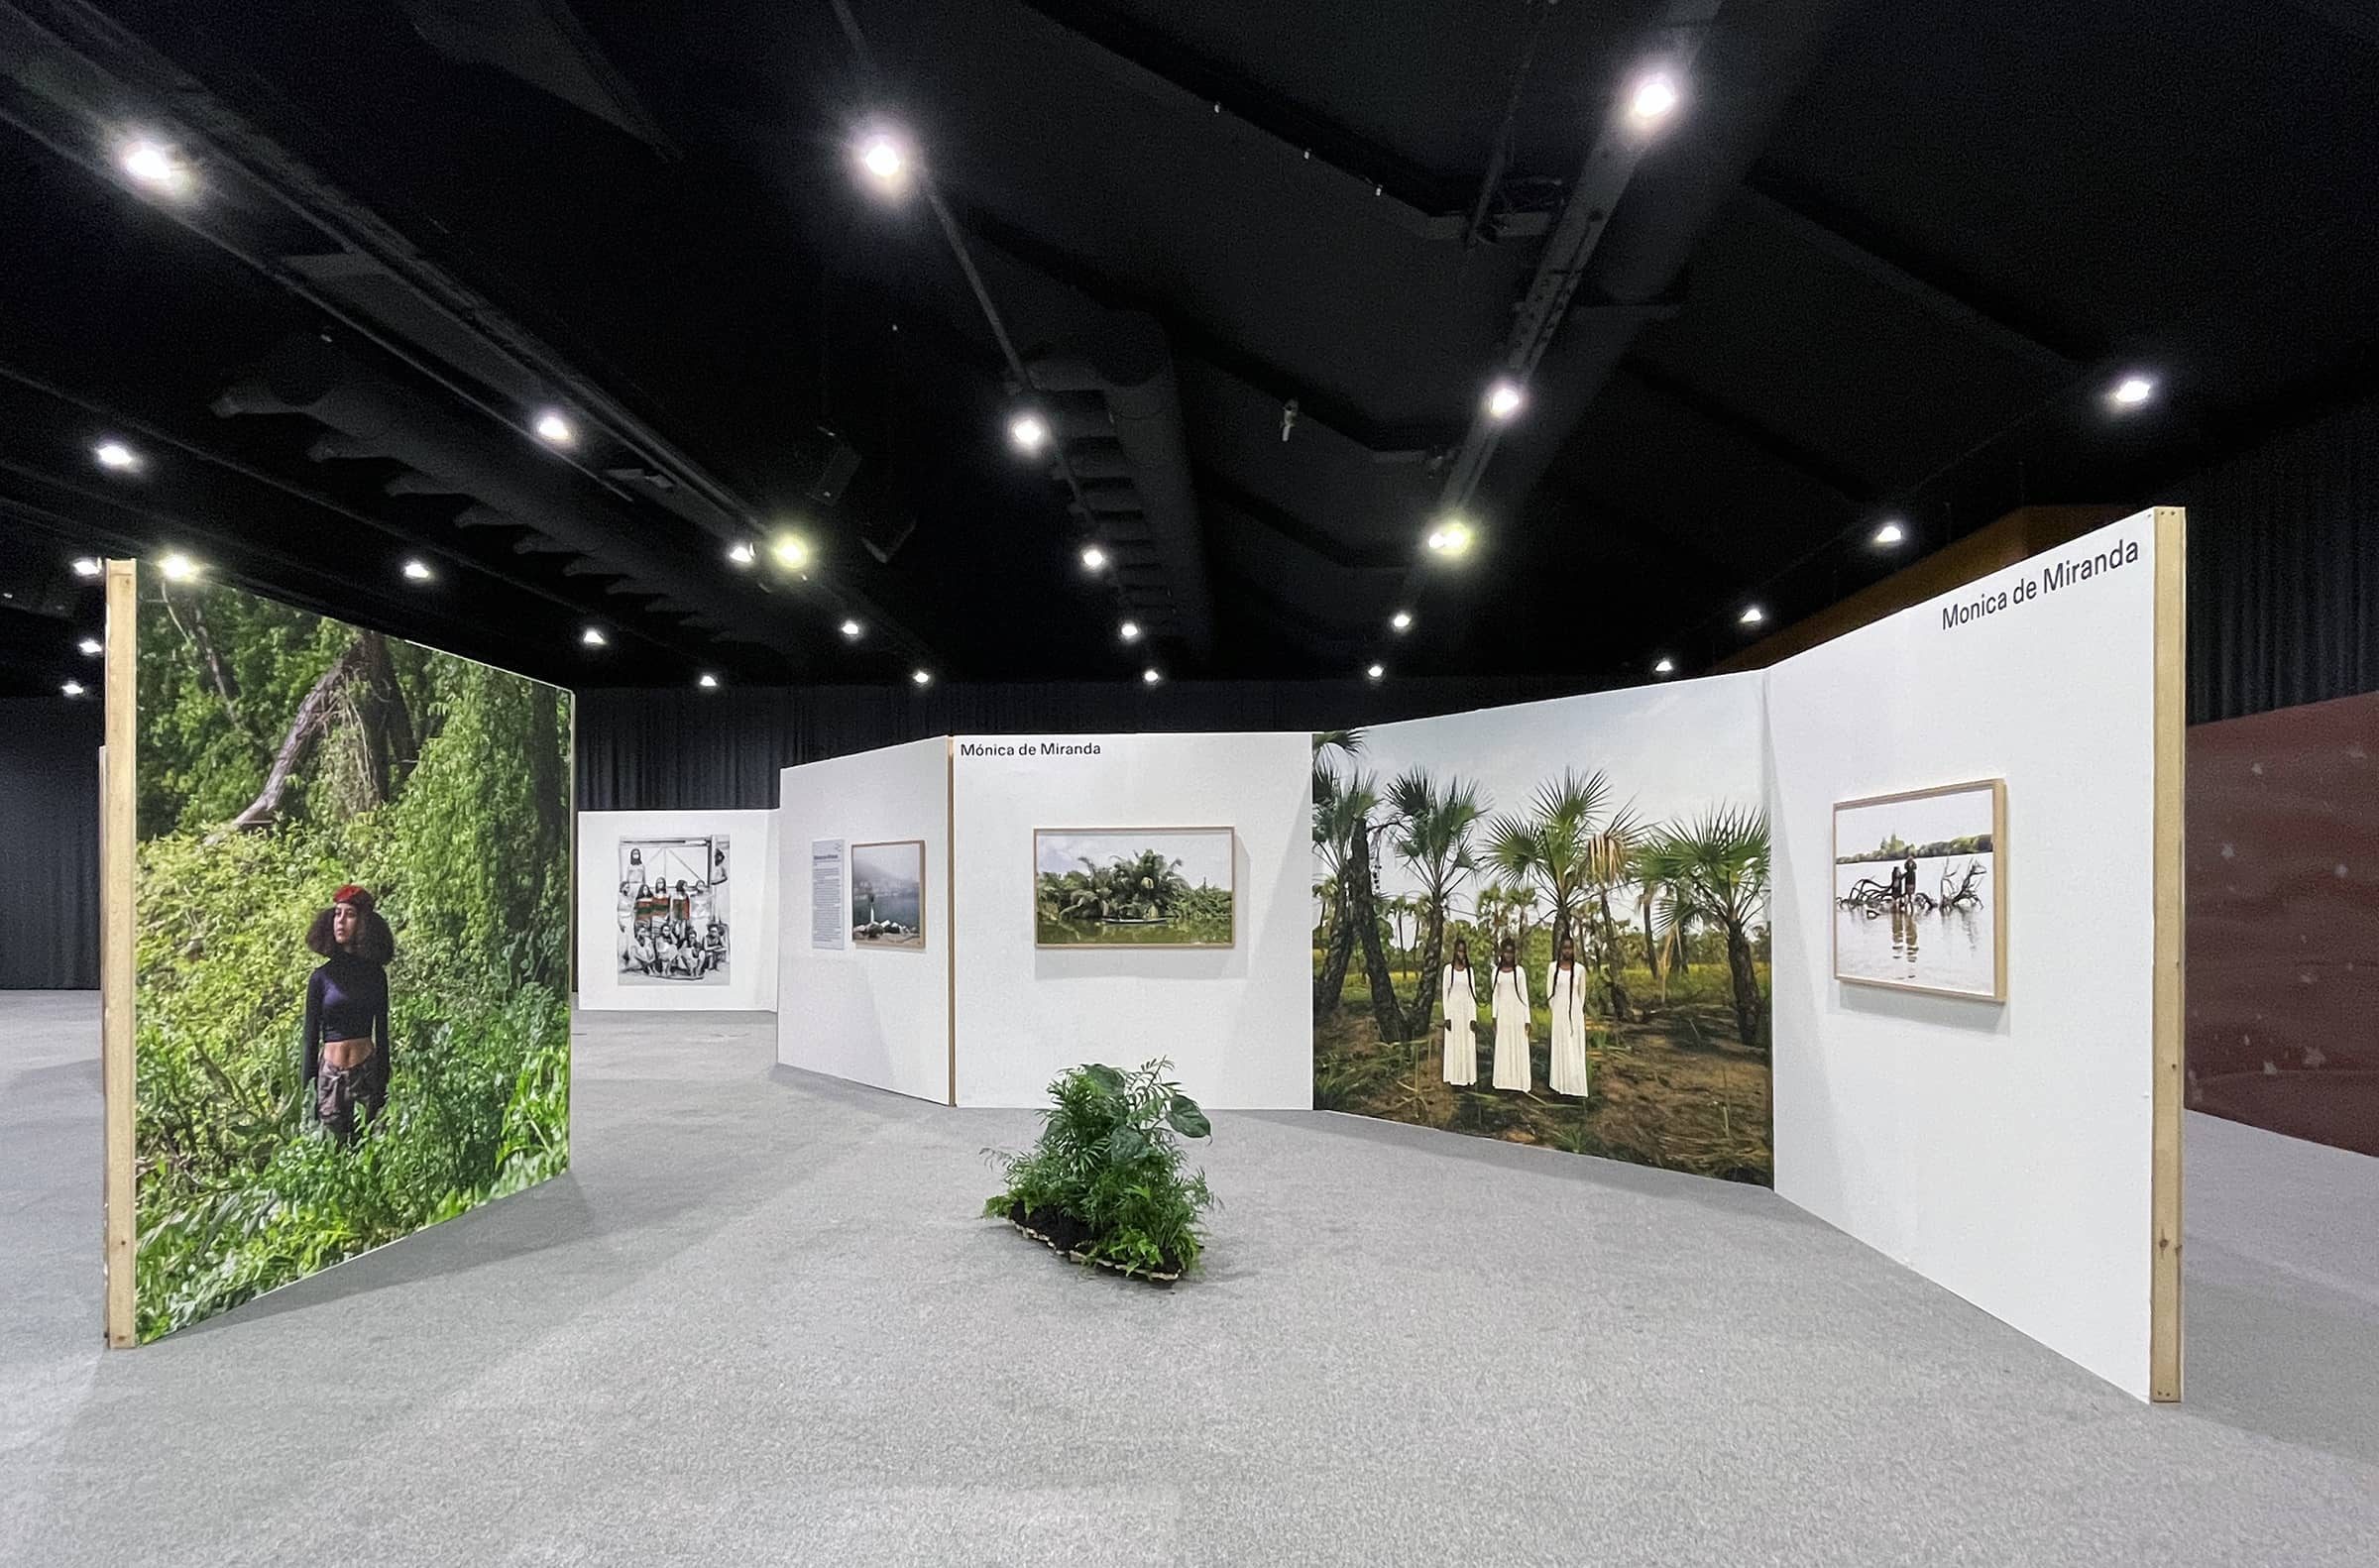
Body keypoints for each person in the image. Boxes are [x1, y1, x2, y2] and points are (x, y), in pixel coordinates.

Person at [301, 883, 395, 1145]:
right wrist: (308, 1096)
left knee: (368, 1149)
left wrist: (382, 1087)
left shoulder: (375, 975)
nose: (340, 921)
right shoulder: (321, 978)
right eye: (337, 914)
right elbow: (309, 1040)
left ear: (363, 923)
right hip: (329, 1077)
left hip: (365, 1072)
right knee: (332, 1151)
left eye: (349, 915)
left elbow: (382, 1033)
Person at [1548, 933, 1590, 1097]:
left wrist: (1575, 1012)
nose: (1567, 951)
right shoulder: (1553, 968)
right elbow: (1550, 994)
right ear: (1560, 949)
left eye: (1570, 948)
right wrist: (1558, 1012)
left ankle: (1575, 1087)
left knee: (1574, 1049)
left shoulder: (1580, 970)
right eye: (1564, 948)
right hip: (1559, 1016)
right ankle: (1559, 1086)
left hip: (1575, 1016)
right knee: (1561, 1048)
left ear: (1574, 950)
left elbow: (1582, 995)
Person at [1489, 936, 1531, 1091]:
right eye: (1506, 952)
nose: (1508, 955)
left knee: (1518, 1046)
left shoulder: (1520, 972)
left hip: (1517, 1014)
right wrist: (1494, 1017)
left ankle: (1519, 1083)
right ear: (1501, 953)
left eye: (1511, 952)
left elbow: (1524, 996)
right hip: (1503, 1015)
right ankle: (1503, 1082)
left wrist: (1527, 1019)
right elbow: (1495, 996)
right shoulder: (1496, 972)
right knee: (1504, 1047)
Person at [1440, 936, 1480, 1088]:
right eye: (1459, 951)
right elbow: (1445, 994)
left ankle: (1467, 1078)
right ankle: (1454, 1079)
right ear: (1454, 952)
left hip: (1466, 1013)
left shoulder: (1469, 971)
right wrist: (1447, 1016)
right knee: (1454, 1045)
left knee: (1466, 1045)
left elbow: (1472, 995)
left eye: (1463, 951)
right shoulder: (1448, 970)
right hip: (1453, 1013)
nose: (1461, 954)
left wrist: (1473, 1017)